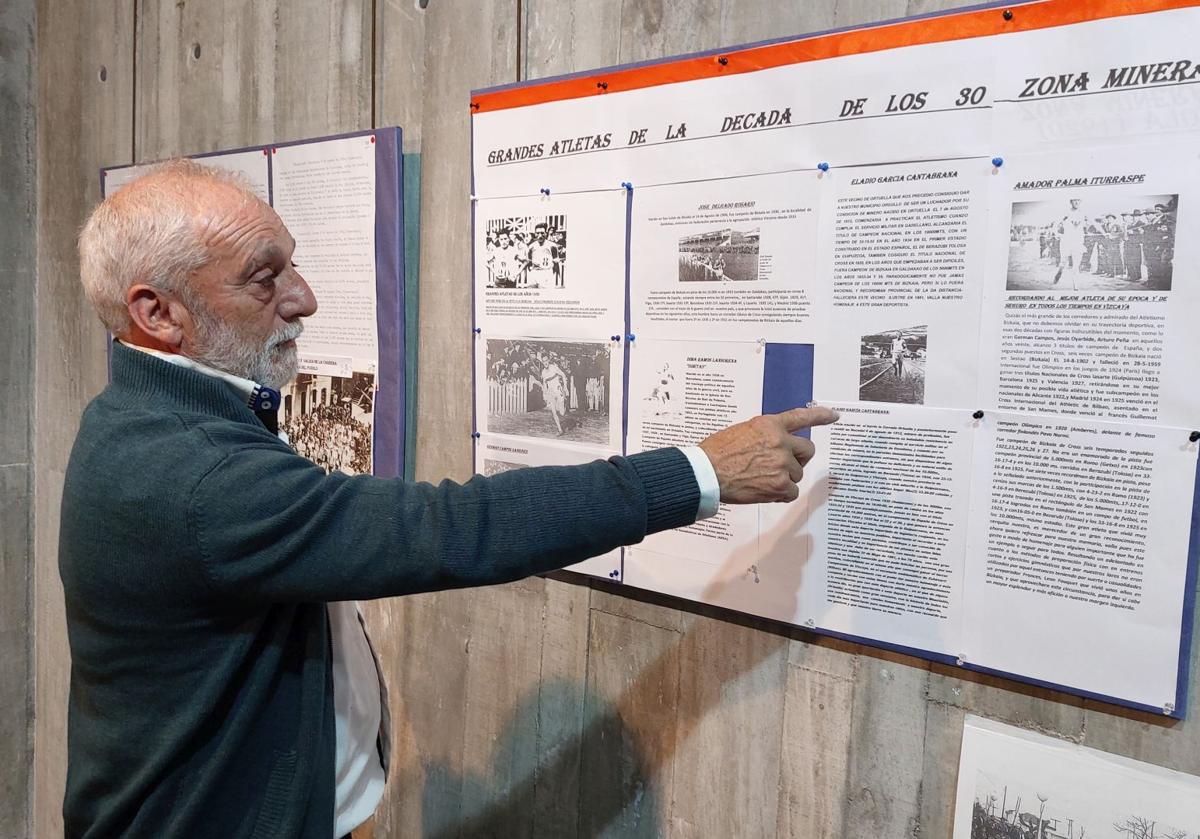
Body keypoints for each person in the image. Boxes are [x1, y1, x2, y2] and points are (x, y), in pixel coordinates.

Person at [62, 159, 838, 838]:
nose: (304, 298)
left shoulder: (151, 416)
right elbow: (451, 528)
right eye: (265, 278)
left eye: (291, 266)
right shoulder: (191, 475)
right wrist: (699, 470)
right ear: (156, 313)